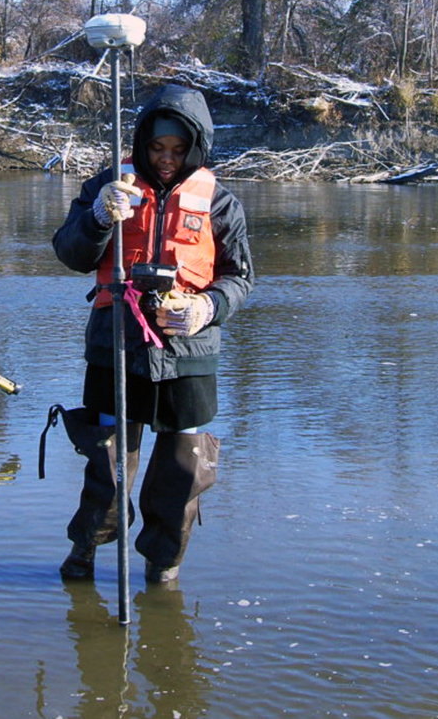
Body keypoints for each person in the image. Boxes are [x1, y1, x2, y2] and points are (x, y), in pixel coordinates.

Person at [51, 82, 254, 583]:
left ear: (196, 149)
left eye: (179, 151)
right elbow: (70, 253)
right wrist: (99, 217)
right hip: (114, 345)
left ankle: (163, 567)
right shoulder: (108, 185)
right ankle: (86, 553)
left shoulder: (220, 202)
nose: (166, 160)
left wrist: (208, 306)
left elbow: (241, 277)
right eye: (158, 149)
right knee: (107, 463)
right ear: (141, 142)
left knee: (182, 472)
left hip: (190, 354)